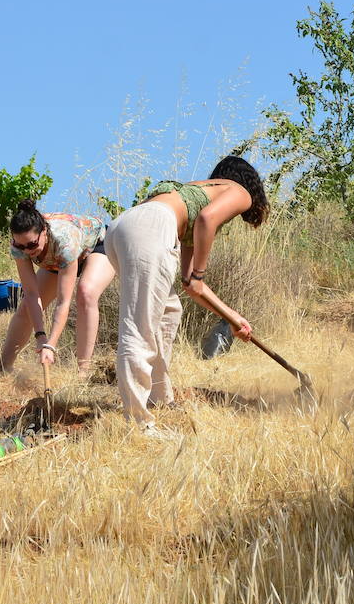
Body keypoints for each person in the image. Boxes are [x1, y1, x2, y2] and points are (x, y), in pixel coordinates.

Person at [105, 155, 269, 433]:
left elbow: (192, 286)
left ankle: (160, 397)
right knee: (139, 329)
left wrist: (232, 318)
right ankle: (138, 424)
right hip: (150, 228)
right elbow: (208, 220)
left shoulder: (191, 196)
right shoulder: (239, 191)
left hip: (123, 226)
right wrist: (201, 273)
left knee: (169, 311)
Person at [0, 200, 116, 378]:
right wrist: (41, 337)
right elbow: (31, 294)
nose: (27, 251)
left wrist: (50, 345)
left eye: (31, 245)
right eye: (22, 246)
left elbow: (63, 302)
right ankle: (3, 368)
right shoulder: (20, 246)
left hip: (97, 244)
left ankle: (83, 372)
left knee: (85, 294)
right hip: (56, 260)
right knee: (25, 309)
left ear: (44, 231)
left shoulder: (64, 241)